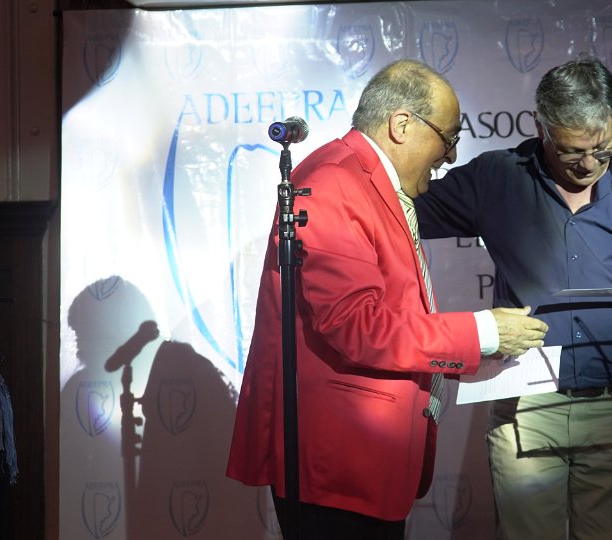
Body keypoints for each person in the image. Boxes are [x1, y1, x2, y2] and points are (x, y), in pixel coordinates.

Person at [226, 59, 549, 540]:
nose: (451, 156)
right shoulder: (336, 181)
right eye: (448, 138)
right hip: (337, 462)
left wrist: (478, 350)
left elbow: (387, 316)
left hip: (362, 461)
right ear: (401, 125)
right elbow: (355, 324)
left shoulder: (366, 180)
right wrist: (481, 331)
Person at [415, 55, 612, 539]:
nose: (589, 164)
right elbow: (404, 207)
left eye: (603, 149)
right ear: (541, 128)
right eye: (573, 151)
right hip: (525, 403)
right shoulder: (497, 178)